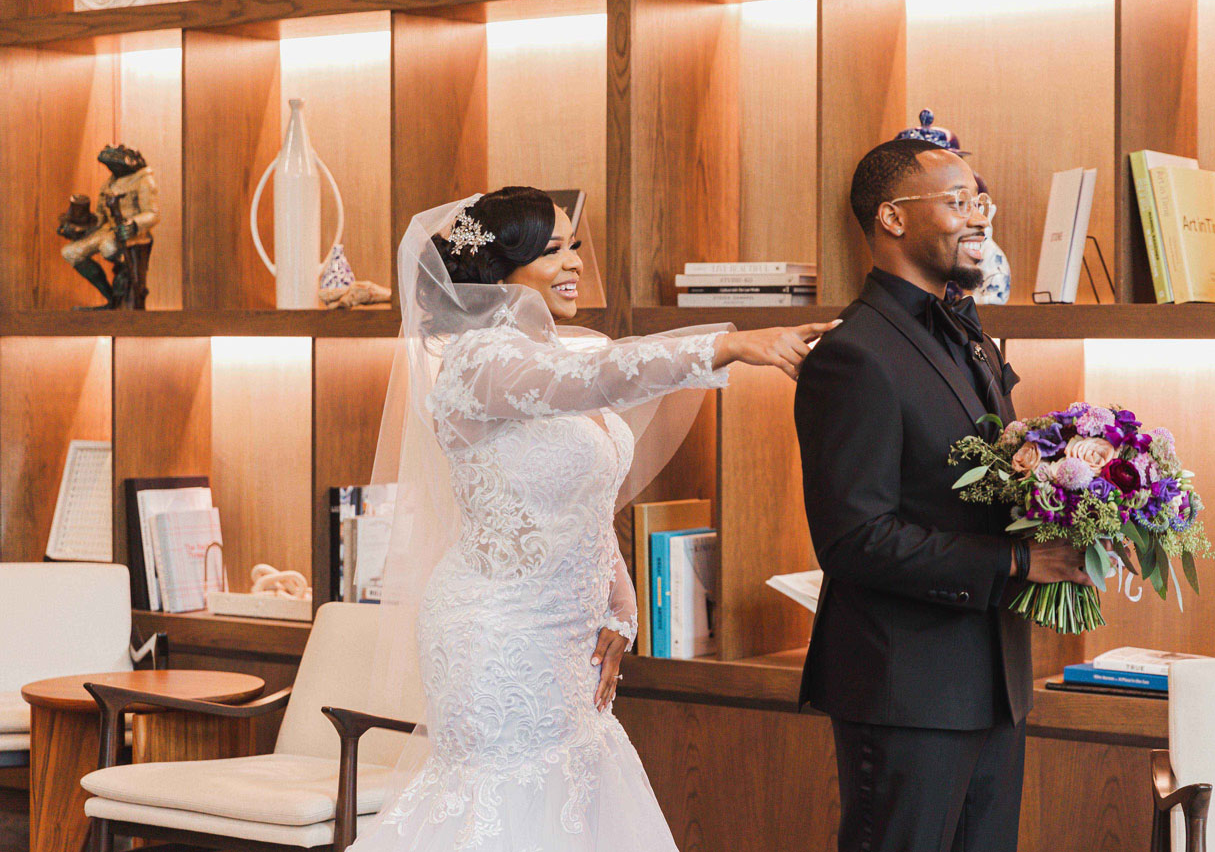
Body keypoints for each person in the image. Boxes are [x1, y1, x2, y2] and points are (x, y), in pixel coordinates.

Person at [350, 186, 837, 851]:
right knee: (505, 809)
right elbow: (605, 378)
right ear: (500, 271)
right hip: (495, 636)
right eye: (552, 251)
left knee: (574, 804)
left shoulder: (564, 350)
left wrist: (621, 598)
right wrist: (728, 345)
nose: (574, 262)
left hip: (567, 637)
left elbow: (581, 495)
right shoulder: (478, 365)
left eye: (575, 245)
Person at [793, 140, 1092, 852]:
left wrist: (1074, 489)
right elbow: (853, 538)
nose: (977, 217)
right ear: (892, 219)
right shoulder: (852, 354)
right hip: (905, 689)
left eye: (978, 200)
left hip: (993, 681)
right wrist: (1017, 565)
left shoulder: (970, 334)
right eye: (956, 202)